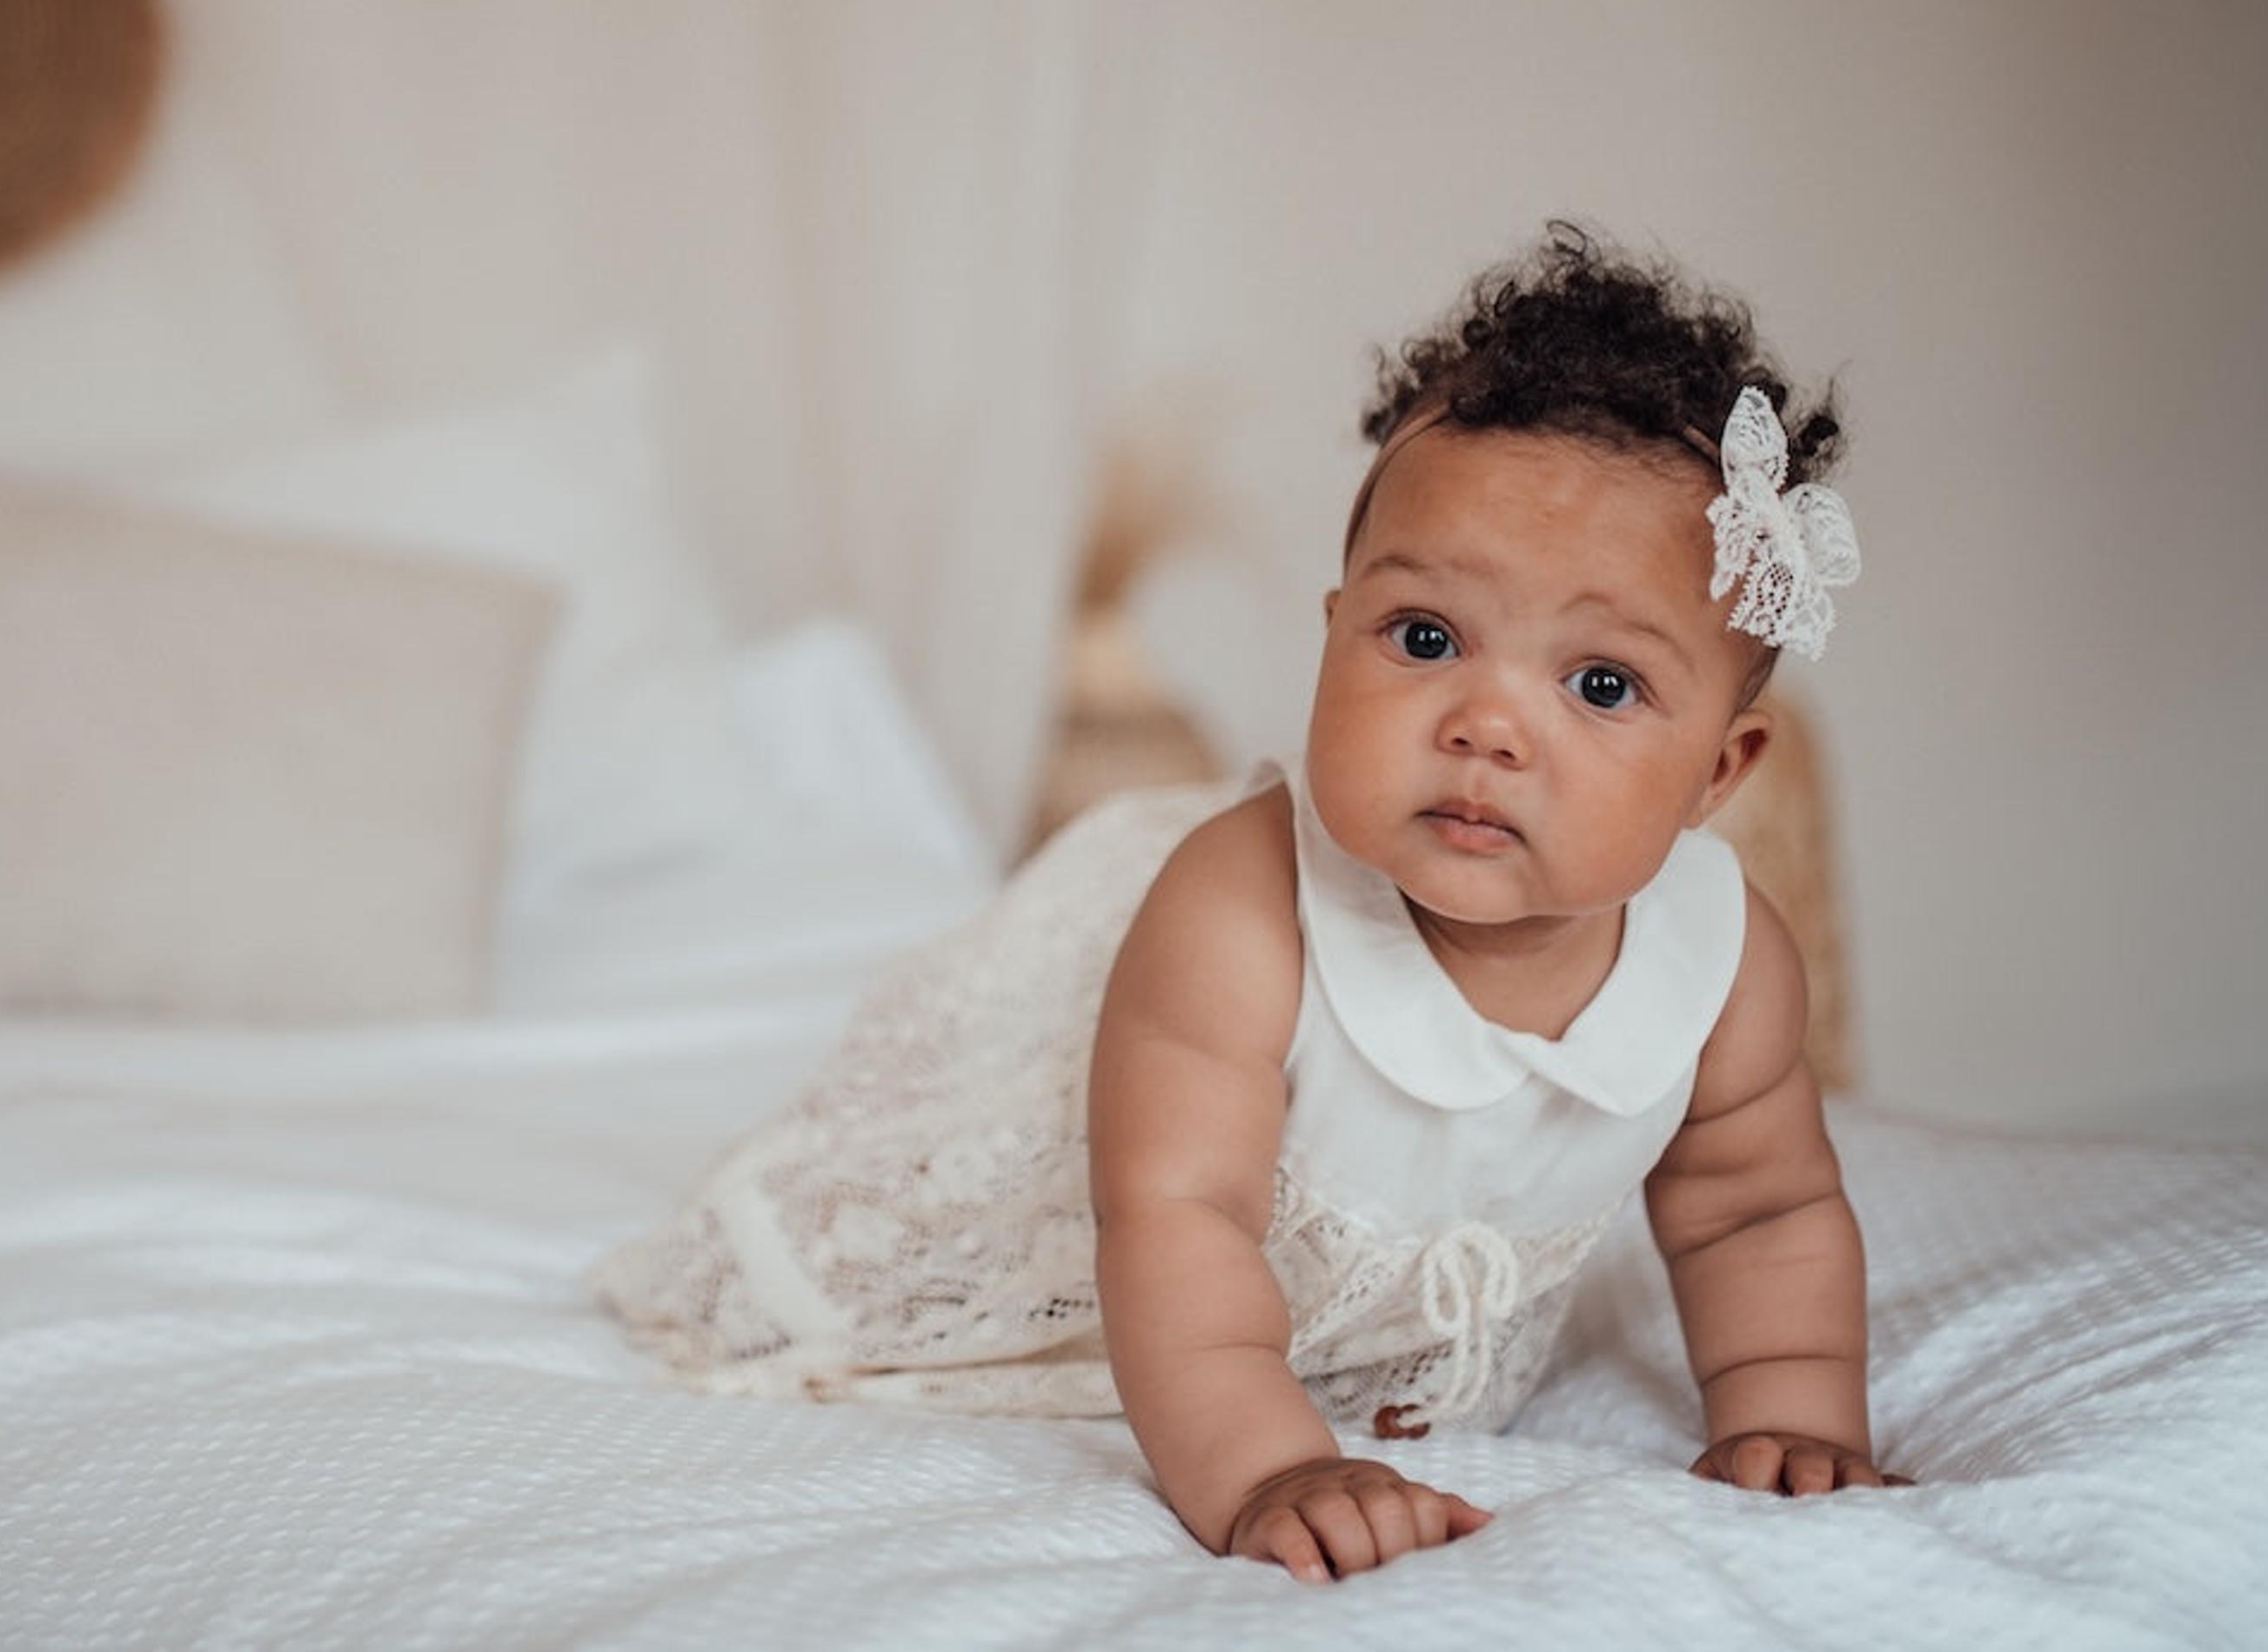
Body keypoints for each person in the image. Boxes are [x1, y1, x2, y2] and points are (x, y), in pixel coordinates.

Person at [591, 224, 1890, 1582]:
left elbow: (1760, 1215)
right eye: (1427, 640)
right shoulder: (1241, 907)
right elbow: (1174, 1218)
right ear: (1335, 636)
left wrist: (1791, 1417)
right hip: (1132, 1282)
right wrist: (1270, 1466)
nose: (1487, 727)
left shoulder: (1725, 967)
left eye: (1602, 684)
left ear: (1719, 774)